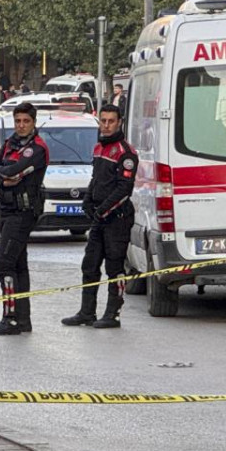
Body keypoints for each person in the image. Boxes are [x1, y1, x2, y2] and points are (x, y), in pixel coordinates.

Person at [62, 105, 137, 329]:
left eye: (111, 121)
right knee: (90, 265)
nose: (106, 125)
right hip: (99, 218)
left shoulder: (126, 152)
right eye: (103, 121)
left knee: (114, 268)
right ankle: (87, 313)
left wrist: (103, 209)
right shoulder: (98, 148)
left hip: (117, 217)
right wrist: (87, 200)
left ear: (119, 122)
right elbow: (96, 179)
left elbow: (124, 188)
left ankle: (113, 314)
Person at [0, 102, 49, 336]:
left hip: (23, 211)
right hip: (7, 208)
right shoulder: (10, 143)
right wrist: (2, 177)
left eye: (26, 121)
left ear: (34, 122)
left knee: (4, 264)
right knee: (19, 265)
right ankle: (23, 320)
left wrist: (2, 174)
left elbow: (14, 171)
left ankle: (10, 318)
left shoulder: (37, 149)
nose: (21, 125)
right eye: (18, 121)